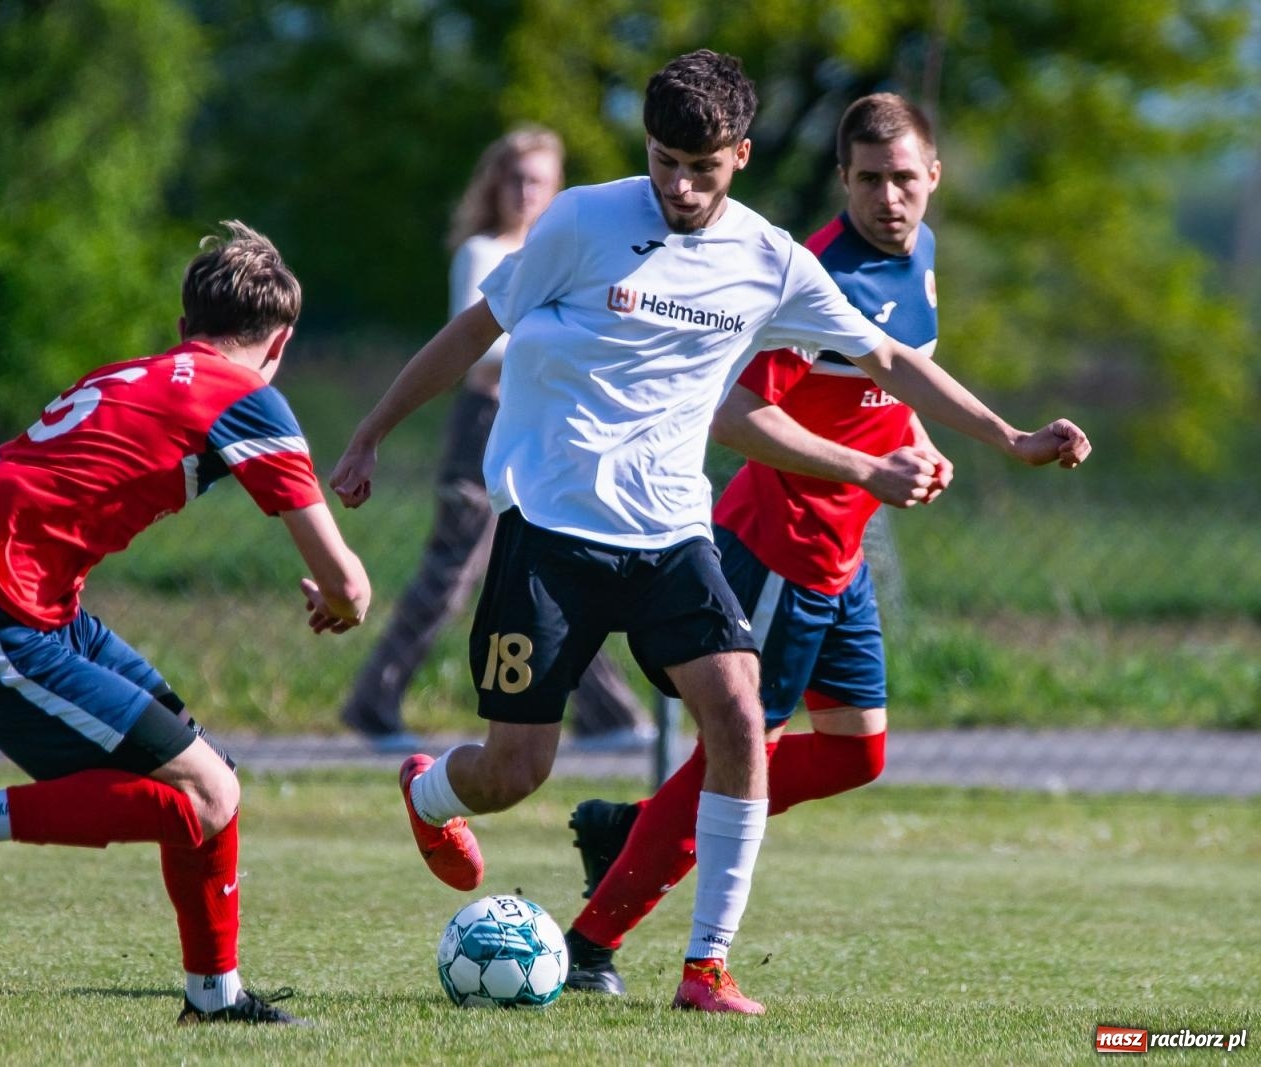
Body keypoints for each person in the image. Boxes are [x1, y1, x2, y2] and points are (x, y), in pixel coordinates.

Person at [332, 51, 1089, 1016]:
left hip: (671, 532)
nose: (678, 187)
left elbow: (891, 358)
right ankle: (433, 790)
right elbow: (475, 331)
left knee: (740, 720)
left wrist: (1012, 436)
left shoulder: (771, 260)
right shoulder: (579, 223)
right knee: (515, 770)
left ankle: (706, 968)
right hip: (550, 527)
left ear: (739, 153)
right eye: (661, 162)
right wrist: (368, 434)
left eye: (701, 167)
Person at [558, 93, 1089, 996]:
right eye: (870, 180)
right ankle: (596, 944)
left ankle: (634, 828)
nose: (890, 197)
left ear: (934, 178)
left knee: (856, 752)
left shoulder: (916, 255)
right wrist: (865, 470)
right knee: (739, 757)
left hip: (838, 561)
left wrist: (935, 443)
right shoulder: (815, 275)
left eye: (905, 179)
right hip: (772, 554)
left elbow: (891, 374)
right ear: (843, 179)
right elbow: (737, 415)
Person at [0, 222, 370, 1027]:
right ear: (282, 341)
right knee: (205, 792)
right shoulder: (248, 399)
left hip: (16, 607)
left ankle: (215, 996)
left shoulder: (128, 375)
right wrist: (340, 600)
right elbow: (349, 586)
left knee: (204, 773)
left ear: (182, 327)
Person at [339, 125, 654, 753]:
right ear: (494, 185)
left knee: (556, 562)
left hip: (549, 429)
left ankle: (607, 714)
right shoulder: (486, 253)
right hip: (487, 425)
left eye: (536, 179)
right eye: (512, 178)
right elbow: (483, 350)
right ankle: (376, 702)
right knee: (454, 572)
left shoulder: (567, 254)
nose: (523, 190)